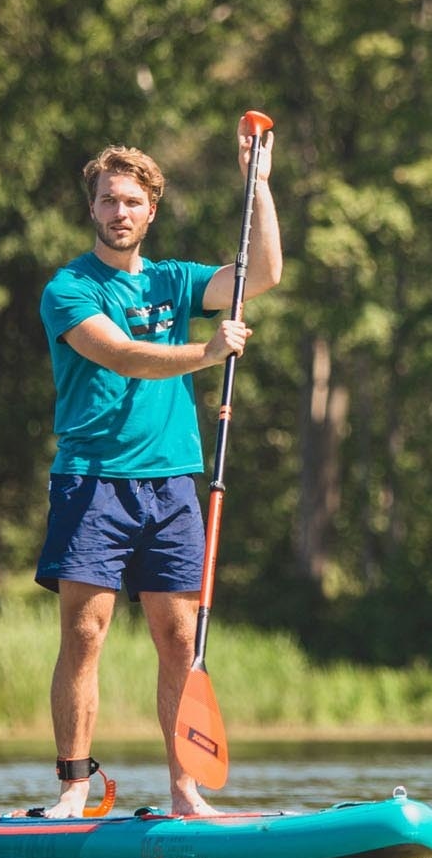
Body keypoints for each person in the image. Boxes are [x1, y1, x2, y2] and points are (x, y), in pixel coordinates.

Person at [31, 125, 280, 818]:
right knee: (85, 635)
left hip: (172, 485)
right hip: (92, 479)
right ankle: (74, 788)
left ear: (151, 211)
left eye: (132, 202)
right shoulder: (69, 289)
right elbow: (121, 355)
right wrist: (208, 351)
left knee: (179, 639)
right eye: (108, 201)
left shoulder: (177, 281)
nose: (119, 213)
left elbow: (262, 274)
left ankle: (184, 792)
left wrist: (257, 183)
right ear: (93, 210)